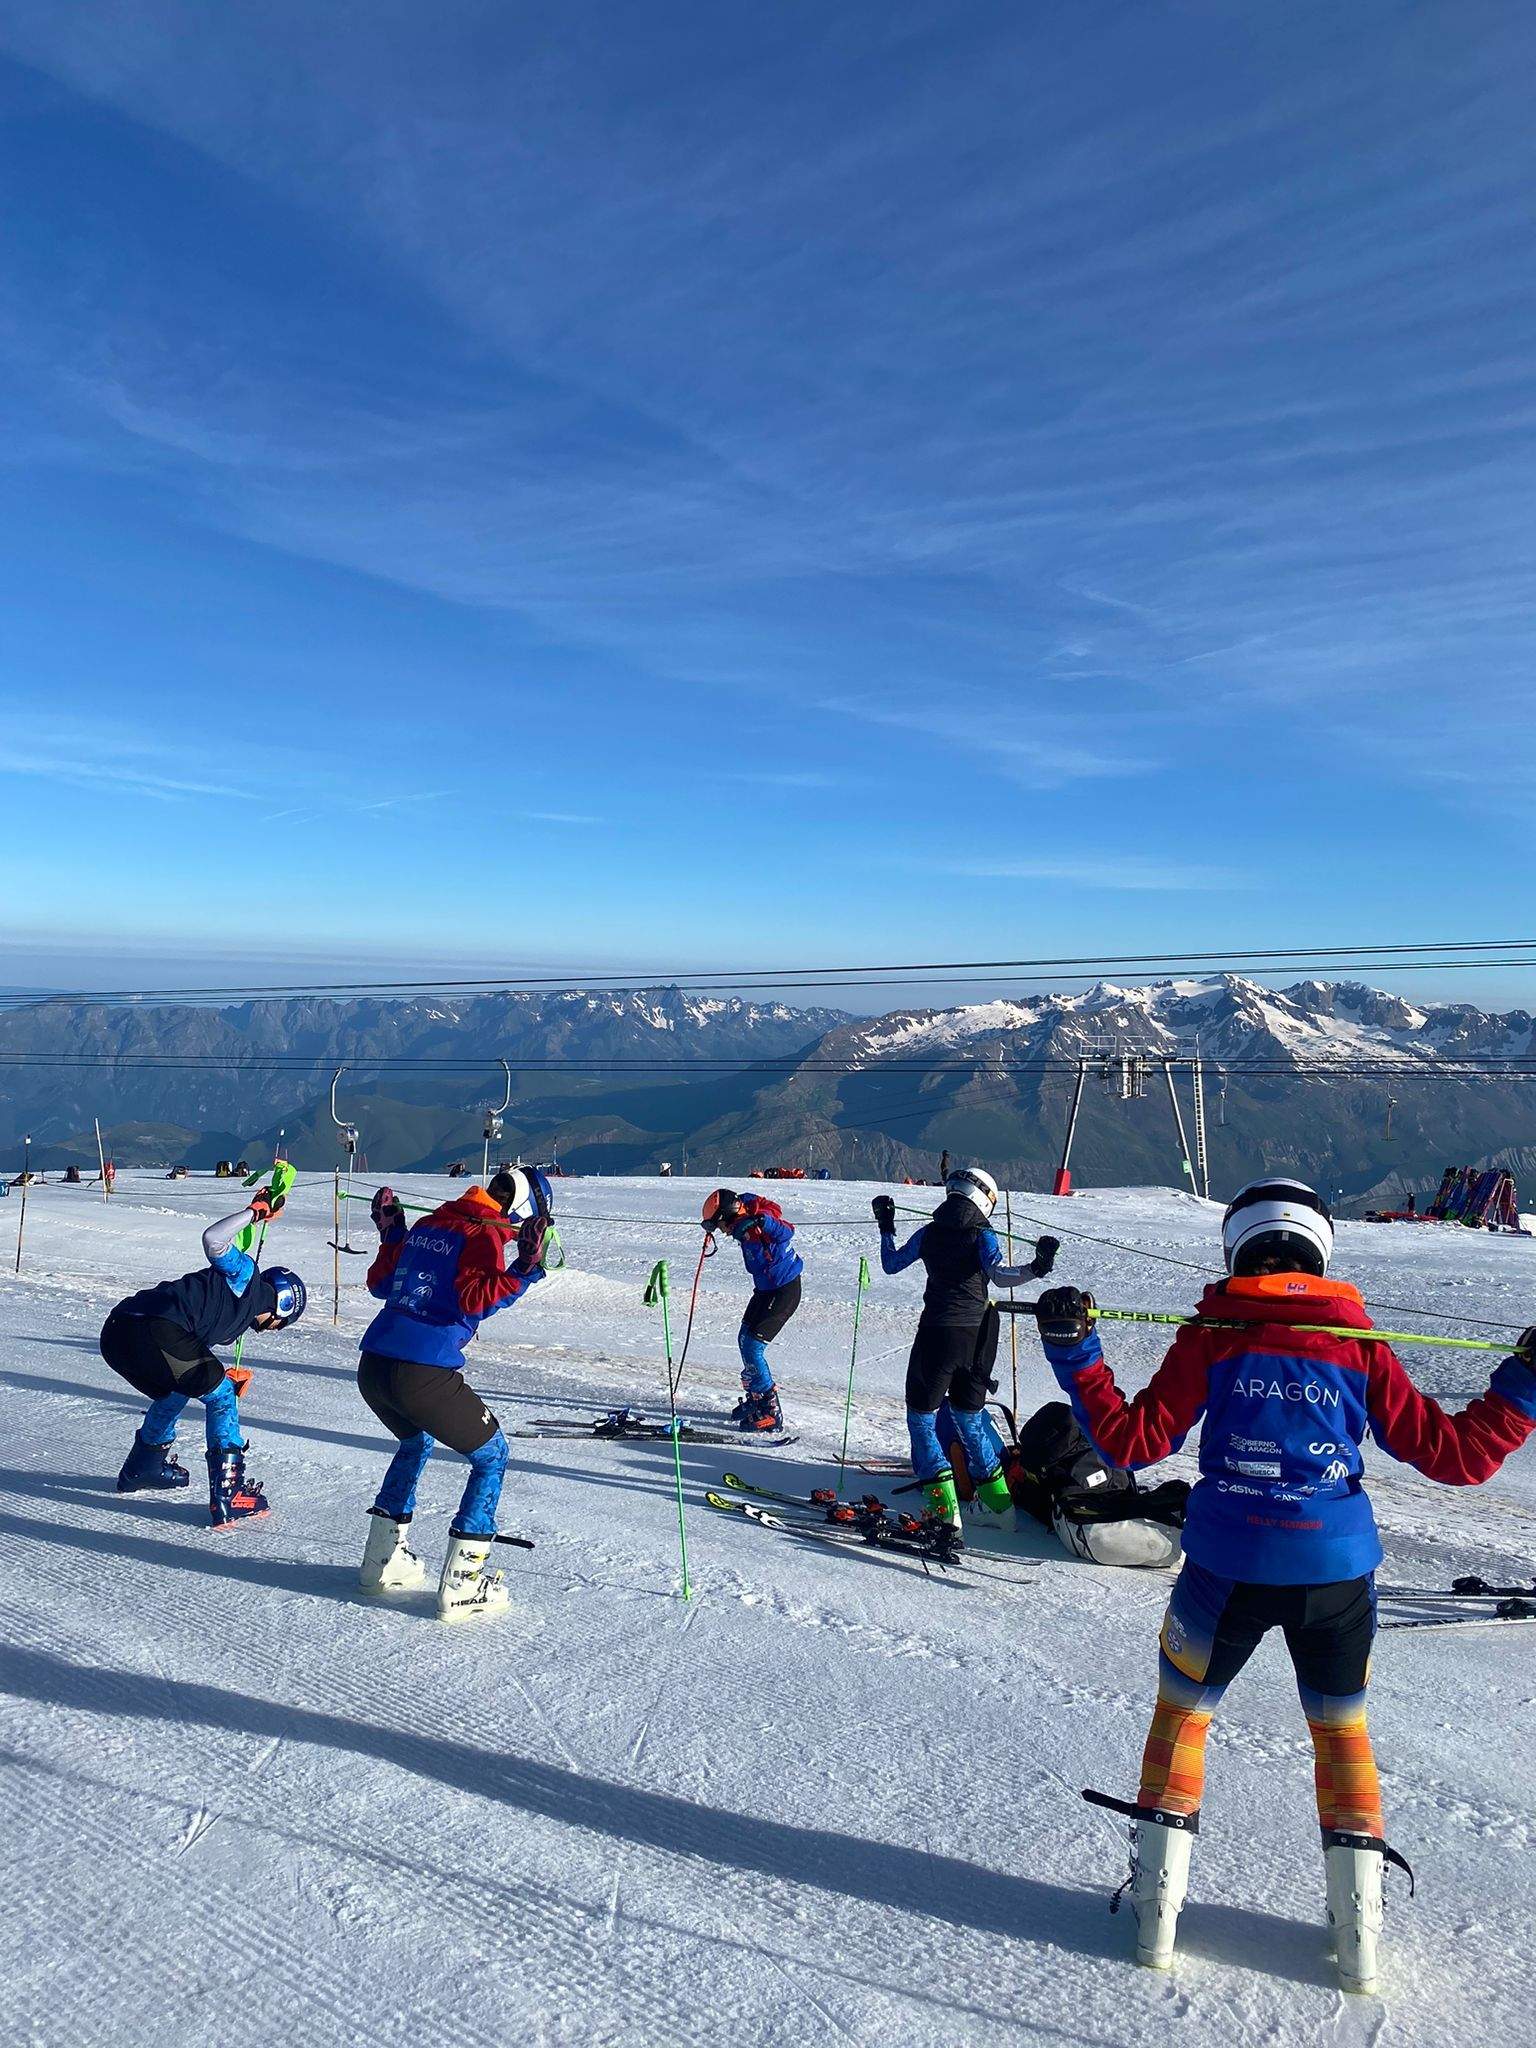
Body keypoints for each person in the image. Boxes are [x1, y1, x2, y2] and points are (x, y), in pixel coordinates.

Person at [1032, 1176, 1536, 1991]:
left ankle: (1157, 1925)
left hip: (1226, 1569)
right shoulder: (1359, 1344)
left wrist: (1076, 1351)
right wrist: (1523, 1386)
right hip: (1336, 1577)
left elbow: (1131, 1441)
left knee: (1183, 1719)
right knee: (1341, 1734)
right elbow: (1460, 1457)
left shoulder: (1214, 1335)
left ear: (1238, 1249)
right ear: (1319, 1249)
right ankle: (1360, 1940)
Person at [357, 1167, 551, 1621]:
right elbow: (474, 1300)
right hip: (422, 1371)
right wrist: (523, 1271)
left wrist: (392, 1239)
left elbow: (381, 1285)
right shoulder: (482, 1234)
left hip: (374, 1365)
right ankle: (462, 1587)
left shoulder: (432, 1222)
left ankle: (380, 1565)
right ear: (522, 1211)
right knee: (491, 1455)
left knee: (415, 1442)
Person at [98, 1185, 305, 1528]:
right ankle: (230, 1494)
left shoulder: (233, 1309)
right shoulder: (245, 1277)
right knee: (221, 1396)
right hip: (155, 1330)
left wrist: (215, 1376)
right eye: (280, 1325)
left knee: (181, 1389)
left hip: (118, 1332)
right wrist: (254, 1212)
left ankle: (145, 1465)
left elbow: (193, 1351)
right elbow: (213, 1239)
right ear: (283, 1306)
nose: (271, 1330)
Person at [873, 1165, 1058, 1536]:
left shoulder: (929, 1232)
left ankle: (944, 1515)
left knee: (922, 1420)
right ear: (985, 1200)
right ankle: (998, 1507)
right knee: (968, 1417)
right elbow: (1000, 1276)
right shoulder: (983, 1234)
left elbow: (891, 1264)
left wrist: (886, 1226)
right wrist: (1039, 1266)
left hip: (938, 1334)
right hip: (980, 1336)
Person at [701, 1188, 801, 1431]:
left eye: (720, 1225)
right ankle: (756, 1398)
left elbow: (787, 1230)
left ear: (729, 1215)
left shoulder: (760, 1221)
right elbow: (747, 1201)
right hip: (765, 1289)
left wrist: (762, 1222)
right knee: (743, 1338)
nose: (722, 1231)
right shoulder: (742, 1216)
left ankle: (770, 1411)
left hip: (783, 1290)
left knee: (753, 1346)